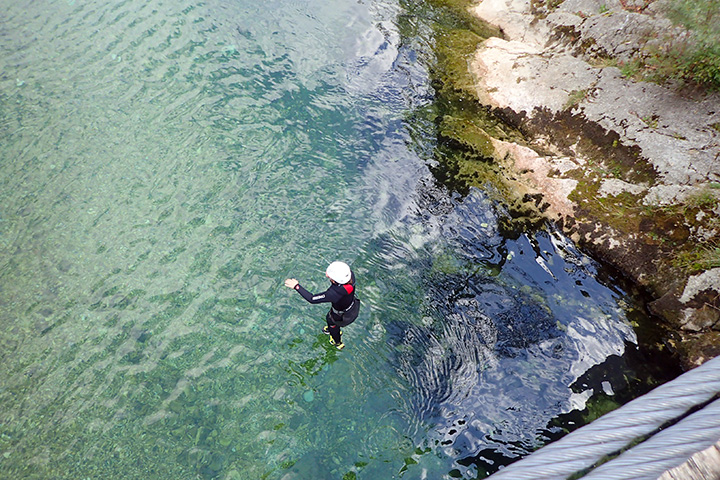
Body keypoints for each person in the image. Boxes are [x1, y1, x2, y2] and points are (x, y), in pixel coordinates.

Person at [284, 261, 359, 350]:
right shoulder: (350, 276)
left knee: (331, 323)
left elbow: (312, 299)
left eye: (330, 276)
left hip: (342, 316)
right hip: (352, 306)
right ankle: (334, 329)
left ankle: (337, 342)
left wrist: (296, 286)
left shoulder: (334, 293)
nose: (327, 275)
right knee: (330, 318)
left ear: (335, 281)